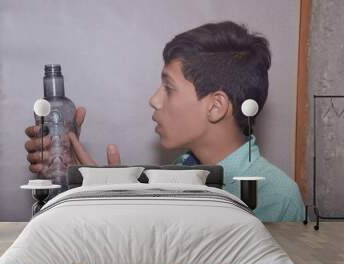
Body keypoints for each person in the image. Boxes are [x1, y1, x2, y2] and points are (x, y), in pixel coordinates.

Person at [24, 21, 304, 222]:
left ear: (216, 106)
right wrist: (97, 191)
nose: (154, 100)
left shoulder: (276, 198)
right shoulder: (174, 176)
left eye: (168, 88)